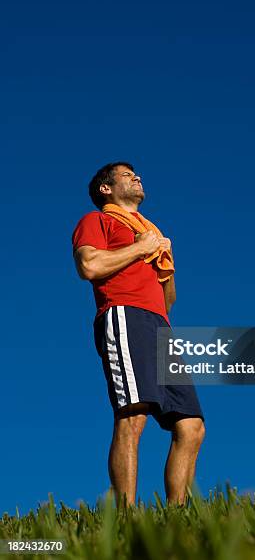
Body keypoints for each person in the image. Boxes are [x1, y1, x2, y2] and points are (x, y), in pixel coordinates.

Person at [72, 162, 205, 506]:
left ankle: (178, 517)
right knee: (133, 415)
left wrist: (164, 259)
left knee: (191, 426)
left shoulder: (151, 233)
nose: (137, 178)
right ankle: (127, 519)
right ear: (106, 189)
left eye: (137, 174)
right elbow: (90, 266)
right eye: (127, 175)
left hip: (159, 325)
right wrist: (140, 248)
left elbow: (168, 301)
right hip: (123, 314)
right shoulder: (97, 221)